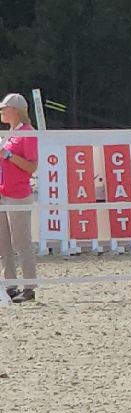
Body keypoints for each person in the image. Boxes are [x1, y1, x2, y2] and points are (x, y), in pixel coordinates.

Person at [1, 92, 39, 303]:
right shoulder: (9, 133)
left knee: (21, 241)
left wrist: (6, 155)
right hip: (3, 193)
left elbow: (31, 166)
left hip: (18, 194)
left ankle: (29, 286)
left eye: (4, 108)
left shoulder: (27, 133)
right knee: (4, 243)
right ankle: (10, 285)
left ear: (14, 110)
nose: (1, 112)